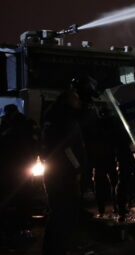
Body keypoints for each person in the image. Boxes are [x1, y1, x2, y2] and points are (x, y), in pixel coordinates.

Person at [41, 89, 86, 255]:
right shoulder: (64, 119)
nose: (79, 102)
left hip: (55, 170)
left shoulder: (52, 116)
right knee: (63, 211)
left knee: (58, 210)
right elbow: (67, 148)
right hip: (64, 173)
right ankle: (58, 248)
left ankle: (54, 247)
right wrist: (77, 168)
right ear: (69, 101)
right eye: (76, 99)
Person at [0, 104, 37, 239]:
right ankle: (21, 226)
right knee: (23, 196)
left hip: (11, 167)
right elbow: (34, 145)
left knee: (14, 197)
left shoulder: (7, 125)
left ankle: (15, 227)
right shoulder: (25, 124)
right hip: (21, 166)